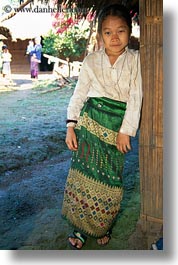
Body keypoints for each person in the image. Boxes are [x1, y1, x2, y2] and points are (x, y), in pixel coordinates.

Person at [62, 3, 143, 249]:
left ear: (130, 32)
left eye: (120, 31)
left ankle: (101, 227)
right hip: (89, 125)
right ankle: (80, 228)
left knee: (110, 179)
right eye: (108, 32)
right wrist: (71, 125)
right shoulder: (91, 61)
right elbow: (79, 94)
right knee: (84, 176)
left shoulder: (136, 60)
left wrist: (126, 131)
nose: (114, 37)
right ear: (100, 36)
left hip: (116, 129)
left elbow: (136, 97)